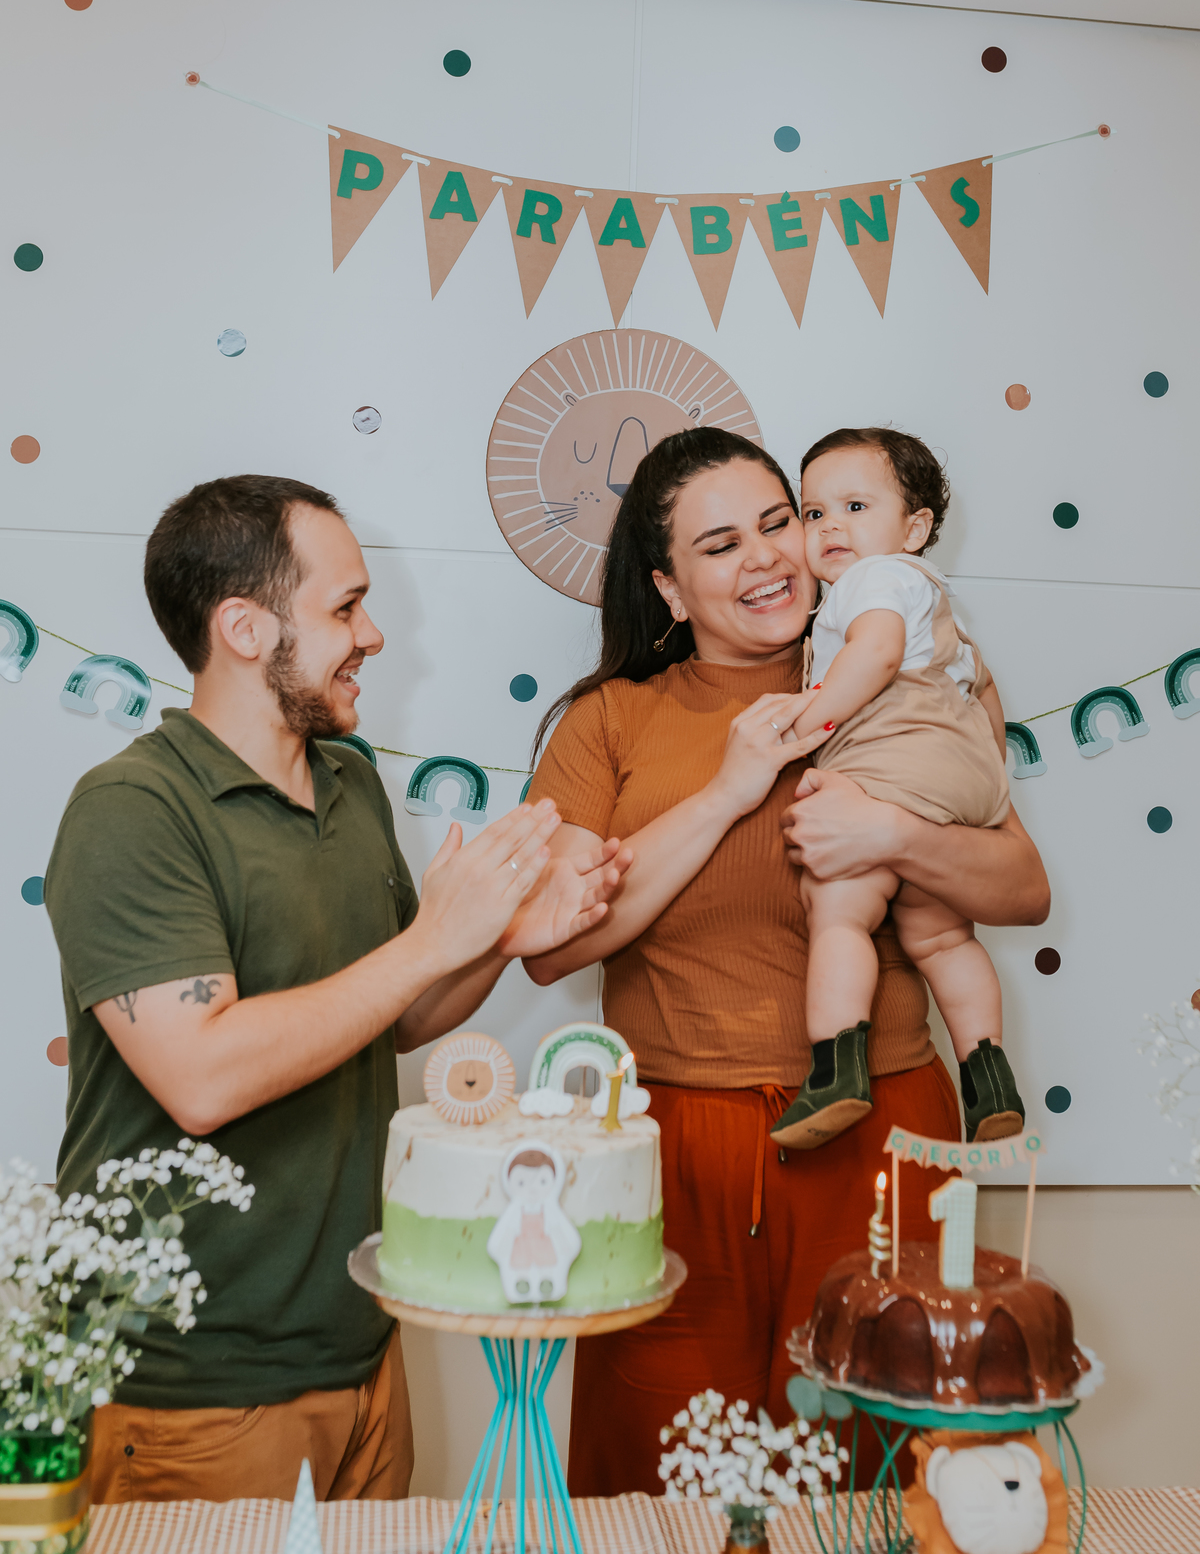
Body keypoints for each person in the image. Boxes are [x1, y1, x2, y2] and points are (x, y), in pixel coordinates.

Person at [44, 475, 631, 1506]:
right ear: (242, 625)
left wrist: (495, 942)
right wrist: (435, 939)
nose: (375, 634)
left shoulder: (350, 781)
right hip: (195, 1387)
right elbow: (203, 1075)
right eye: (345, 607)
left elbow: (385, 1015)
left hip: (363, 1353)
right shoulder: (131, 810)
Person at [522, 428, 1049, 1496]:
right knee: (665, 1468)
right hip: (673, 1147)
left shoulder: (910, 674)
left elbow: (1023, 891)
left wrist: (894, 838)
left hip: (881, 1133)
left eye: (782, 523)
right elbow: (553, 948)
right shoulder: (610, 720)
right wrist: (727, 787)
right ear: (668, 588)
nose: (769, 557)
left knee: (869, 1466)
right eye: (721, 546)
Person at [770, 427, 1023, 1152]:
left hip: (897, 754)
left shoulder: (873, 582)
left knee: (841, 907)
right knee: (940, 934)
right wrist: (982, 781)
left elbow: (876, 656)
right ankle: (990, 1076)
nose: (831, 527)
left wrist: (806, 719)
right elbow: (983, 690)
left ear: (914, 529)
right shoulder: (938, 599)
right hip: (964, 769)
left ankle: (838, 1072)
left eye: (854, 504)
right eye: (814, 514)